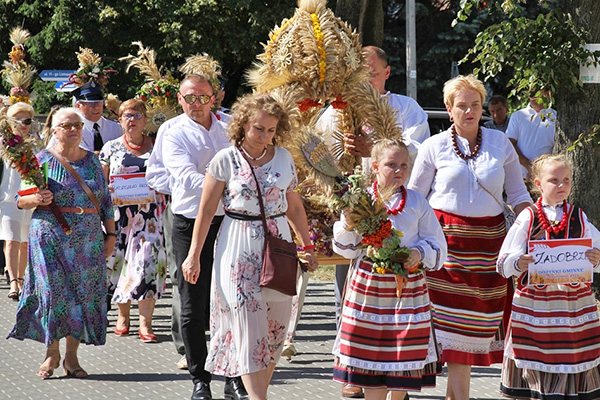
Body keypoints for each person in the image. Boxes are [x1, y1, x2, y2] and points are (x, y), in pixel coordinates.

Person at [182, 93, 318, 400]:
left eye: (271, 130)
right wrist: (193, 256)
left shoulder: (284, 157)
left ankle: (259, 393)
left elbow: (294, 207)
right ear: (243, 124)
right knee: (246, 325)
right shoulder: (224, 160)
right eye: (259, 128)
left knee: (275, 331)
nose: (264, 136)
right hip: (237, 244)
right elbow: (205, 211)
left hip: (279, 244)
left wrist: (307, 245)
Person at [407, 74, 532, 400]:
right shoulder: (434, 146)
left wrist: (538, 223)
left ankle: (457, 395)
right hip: (445, 250)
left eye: (475, 104)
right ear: (449, 109)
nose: (469, 111)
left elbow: (518, 194)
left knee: (473, 331)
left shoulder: (500, 143)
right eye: (461, 105)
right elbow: (415, 199)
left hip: (489, 249)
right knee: (448, 334)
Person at [317, 45, 431, 399]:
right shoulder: (335, 111)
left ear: (386, 72)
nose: (363, 76)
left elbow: (417, 151)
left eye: (370, 69)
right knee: (350, 288)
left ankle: (396, 367)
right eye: (357, 71)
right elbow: (317, 153)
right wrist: (338, 182)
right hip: (356, 209)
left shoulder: (406, 108)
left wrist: (374, 150)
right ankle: (356, 365)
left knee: (398, 297)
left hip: (398, 209)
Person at [332, 139, 447, 400]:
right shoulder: (360, 201)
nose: (399, 170)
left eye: (404, 165)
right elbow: (346, 249)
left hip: (407, 288)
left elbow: (437, 243)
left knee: (402, 353)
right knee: (370, 355)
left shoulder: (417, 201)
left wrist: (419, 253)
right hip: (369, 287)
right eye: (391, 164)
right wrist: (349, 223)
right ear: (375, 167)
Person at [7, 107, 115, 379]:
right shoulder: (39, 160)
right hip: (50, 235)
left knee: (82, 295)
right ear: (54, 129)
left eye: (77, 125)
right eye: (67, 125)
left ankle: (72, 357)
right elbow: (21, 200)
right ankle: (51, 352)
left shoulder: (93, 161)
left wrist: (111, 235)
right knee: (52, 295)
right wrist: (37, 199)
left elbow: (105, 202)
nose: (74, 130)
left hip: (88, 237)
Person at [162, 74, 245, 400]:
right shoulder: (173, 131)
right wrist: (234, 187)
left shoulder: (232, 126)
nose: (196, 104)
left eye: (203, 97)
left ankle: (233, 377)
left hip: (230, 223)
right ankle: (200, 379)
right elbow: (185, 178)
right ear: (179, 99)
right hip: (190, 223)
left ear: (215, 97)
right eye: (189, 98)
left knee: (232, 302)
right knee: (193, 306)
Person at [497, 153, 600, 399]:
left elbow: (596, 250)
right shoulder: (528, 217)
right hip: (536, 310)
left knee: (571, 362)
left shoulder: (578, 217)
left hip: (571, 309)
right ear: (538, 184)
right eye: (554, 180)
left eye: (566, 180)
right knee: (536, 364)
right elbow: (502, 262)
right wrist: (519, 262)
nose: (562, 185)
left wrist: (596, 258)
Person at [100, 99, 167, 343]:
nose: (132, 120)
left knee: (147, 265)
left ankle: (146, 324)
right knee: (119, 266)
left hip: (149, 218)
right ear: (120, 119)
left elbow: (168, 178)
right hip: (119, 219)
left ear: (145, 120)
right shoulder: (110, 148)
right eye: (127, 115)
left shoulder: (158, 146)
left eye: (137, 116)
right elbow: (101, 184)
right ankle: (123, 317)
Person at [1, 103, 36, 300]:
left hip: (29, 198)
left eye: (27, 121)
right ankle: (13, 281)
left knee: (24, 242)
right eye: (18, 121)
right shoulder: (3, 143)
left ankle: (22, 280)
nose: (23, 125)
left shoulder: (35, 144)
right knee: (11, 239)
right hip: (7, 198)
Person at [48, 81, 122, 153]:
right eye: (90, 104)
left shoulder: (116, 128)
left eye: (98, 103)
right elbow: (49, 155)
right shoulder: (67, 130)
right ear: (78, 106)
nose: (95, 107)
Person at [505, 89, 556, 180]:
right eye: (530, 92)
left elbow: (557, 150)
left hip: (546, 178)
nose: (532, 95)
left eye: (536, 91)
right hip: (519, 179)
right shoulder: (519, 115)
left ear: (548, 94)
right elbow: (509, 144)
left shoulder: (555, 117)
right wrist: (530, 167)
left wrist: (540, 171)